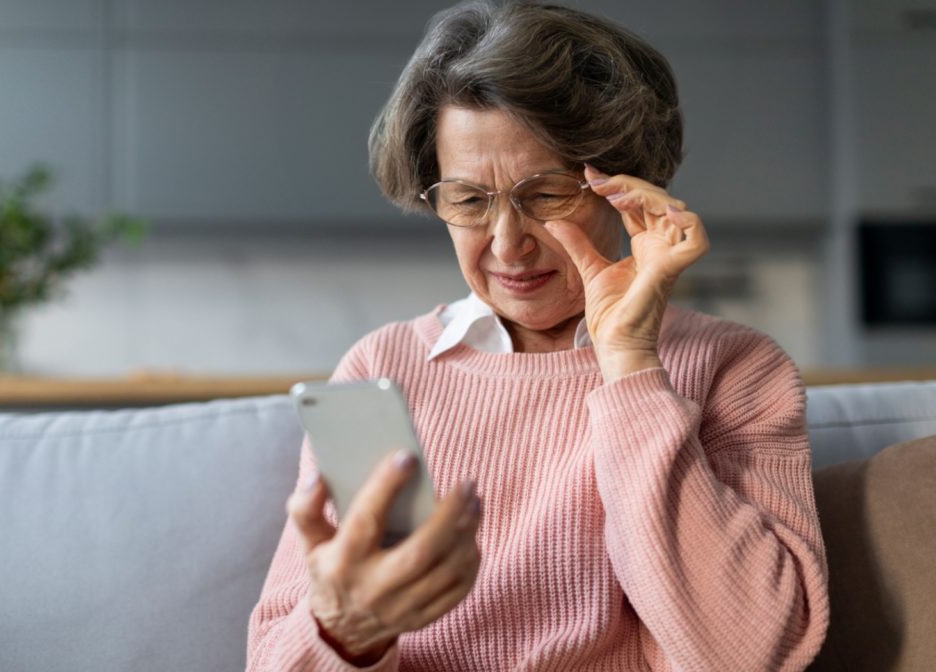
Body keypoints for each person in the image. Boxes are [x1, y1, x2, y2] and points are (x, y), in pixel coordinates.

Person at [247, 1, 829, 669]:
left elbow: (755, 652)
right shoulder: (385, 366)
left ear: (627, 187)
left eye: (546, 194)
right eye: (468, 200)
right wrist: (346, 632)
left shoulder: (735, 369)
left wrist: (632, 367)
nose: (506, 243)